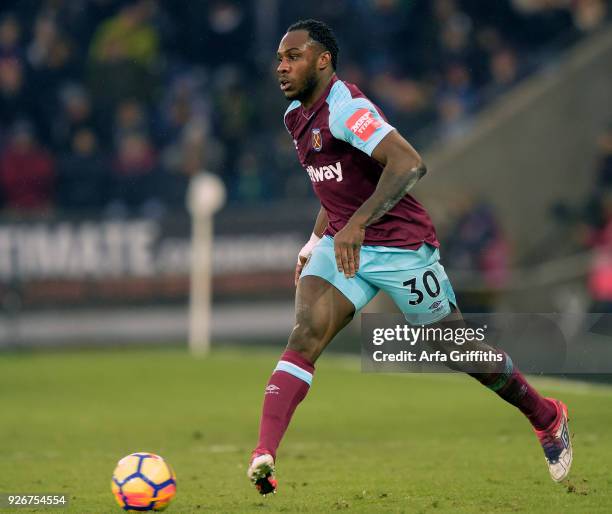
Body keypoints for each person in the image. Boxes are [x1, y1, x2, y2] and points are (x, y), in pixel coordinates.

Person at [247, 19, 572, 495]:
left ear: (323, 60)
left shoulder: (347, 108)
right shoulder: (296, 116)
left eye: (293, 56)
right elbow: (335, 186)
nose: (281, 66)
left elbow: (409, 163)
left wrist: (357, 225)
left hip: (400, 247)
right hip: (344, 246)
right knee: (306, 334)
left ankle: (546, 415)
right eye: (279, 58)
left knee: (458, 350)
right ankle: (264, 455)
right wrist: (315, 242)